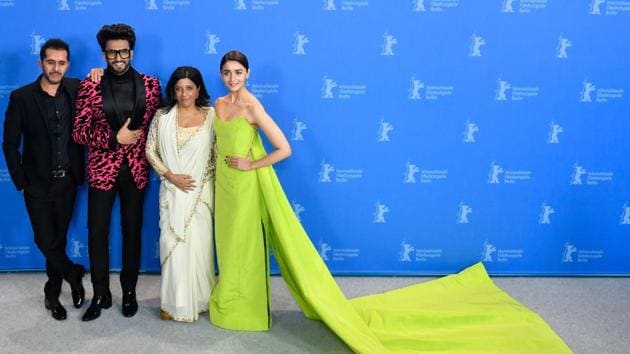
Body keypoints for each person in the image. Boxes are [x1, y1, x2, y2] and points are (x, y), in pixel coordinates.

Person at [210, 50, 571, 353]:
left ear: (248, 73)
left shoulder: (253, 107)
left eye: (238, 72)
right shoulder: (219, 105)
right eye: (226, 73)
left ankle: (247, 311)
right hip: (223, 185)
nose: (232, 78)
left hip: (245, 186)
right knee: (228, 245)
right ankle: (230, 299)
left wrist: (251, 164)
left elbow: (285, 148)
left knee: (246, 247)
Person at [72, 23, 161, 321]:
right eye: (112, 53)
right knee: (97, 233)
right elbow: (79, 132)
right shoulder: (90, 85)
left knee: (132, 233)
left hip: (136, 171)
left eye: (123, 51)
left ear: (131, 51)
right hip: (101, 171)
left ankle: (130, 291)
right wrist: (114, 139)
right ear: (104, 54)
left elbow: (159, 126)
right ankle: (100, 294)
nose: (118, 57)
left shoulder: (151, 85)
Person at [2, 38, 85, 321]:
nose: (56, 67)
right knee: (44, 239)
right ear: (41, 63)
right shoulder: (22, 98)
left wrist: (99, 70)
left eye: (61, 63)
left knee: (58, 240)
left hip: (68, 182)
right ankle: (74, 274)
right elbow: (9, 143)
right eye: (51, 62)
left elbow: (104, 87)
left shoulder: (76, 89)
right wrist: (21, 180)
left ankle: (53, 293)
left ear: (68, 65)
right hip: (37, 183)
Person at [145, 66, 216, 322]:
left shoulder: (211, 116)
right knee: (172, 245)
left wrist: (197, 186)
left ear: (198, 89)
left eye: (189, 88)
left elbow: (216, 156)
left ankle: (200, 300)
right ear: (172, 91)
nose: (184, 94)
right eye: (178, 88)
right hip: (171, 192)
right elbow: (150, 151)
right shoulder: (162, 116)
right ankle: (171, 303)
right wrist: (170, 176)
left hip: (200, 195)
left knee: (199, 248)